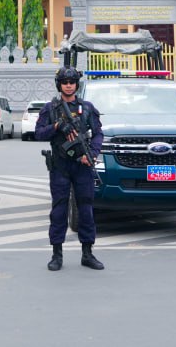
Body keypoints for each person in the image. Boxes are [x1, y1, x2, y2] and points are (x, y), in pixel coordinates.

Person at [35, 66, 104, 272]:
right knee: (59, 210)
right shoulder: (50, 109)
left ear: (76, 84)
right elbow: (38, 133)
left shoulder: (87, 108)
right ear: (59, 85)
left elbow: (98, 133)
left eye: (72, 82)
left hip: (82, 165)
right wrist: (56, 127)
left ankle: (87, 253)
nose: (68, 86)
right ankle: (56, 254)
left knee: (86, 208)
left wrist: (92, 154)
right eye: (64, 82)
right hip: (60, 166)